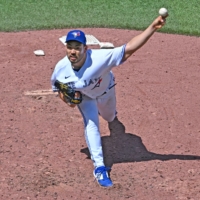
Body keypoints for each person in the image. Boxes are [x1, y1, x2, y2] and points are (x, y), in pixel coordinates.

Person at [51, 15, 167, 187]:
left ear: (85, 48)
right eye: (70, 47)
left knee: (110, 117)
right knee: (91, 125)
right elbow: (58, 89)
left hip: (106, 91)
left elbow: (128, 49)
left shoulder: (100, 58)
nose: (73, 51)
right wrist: (68, 101)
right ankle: (99, 168)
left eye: (77, 47)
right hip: (86, 97)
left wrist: (152, 27)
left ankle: (110, 116)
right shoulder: (61, 69)